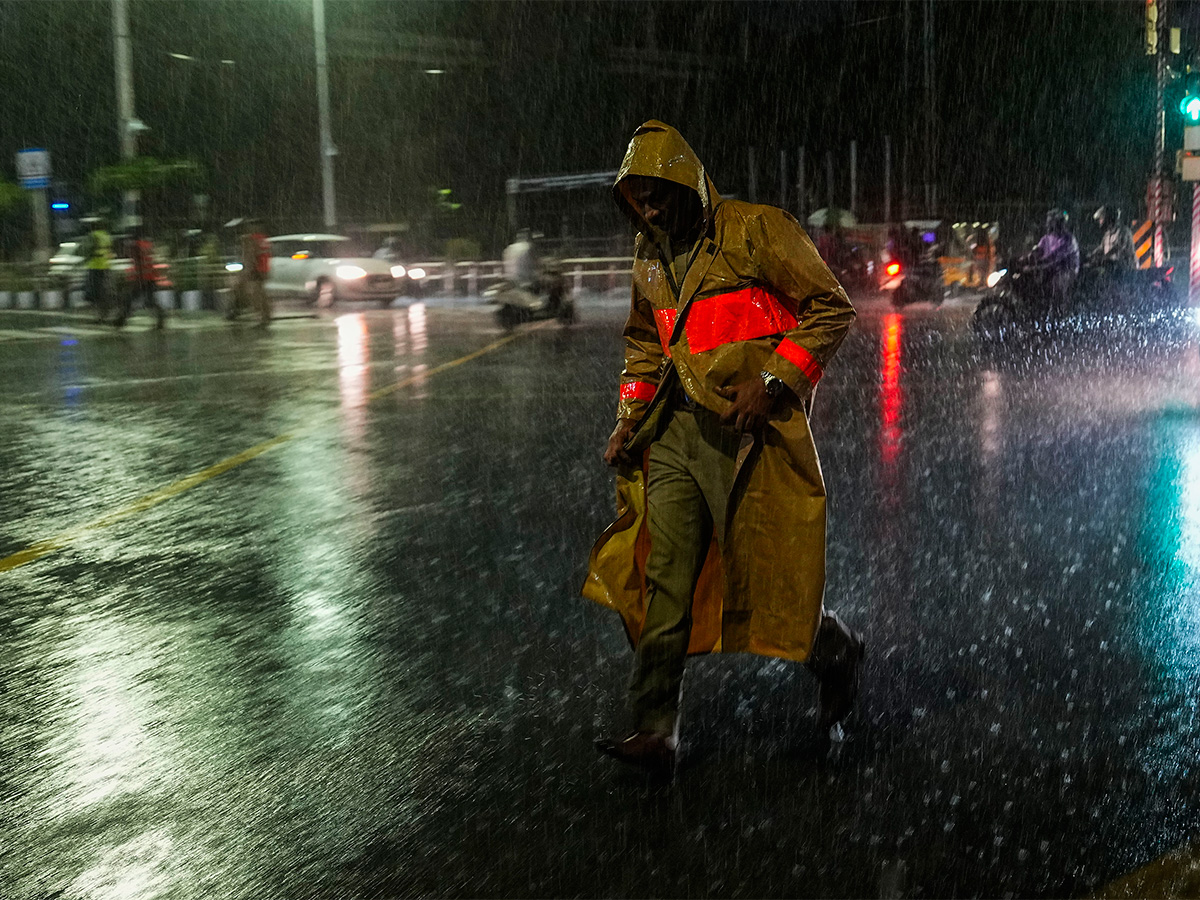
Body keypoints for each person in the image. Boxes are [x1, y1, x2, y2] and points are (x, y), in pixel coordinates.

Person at [584, 120, 864, 776]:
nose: (648, 207)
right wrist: (629, 416)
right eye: (637, 196)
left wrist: (773, 384)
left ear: (687, 183)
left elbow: (831, 308)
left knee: (772, 584)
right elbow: (646, 343)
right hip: (673, 437)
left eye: (657, 192)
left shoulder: (755, 229)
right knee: (664, 584)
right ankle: (656, 729)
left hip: (747, 436)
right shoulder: (649, 254)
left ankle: (838, 653)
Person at [1026, 209, 1079, 308]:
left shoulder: (1068, 239)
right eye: (1048, 222)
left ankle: (1060, 310)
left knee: (1055, 285)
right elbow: (1038, 251)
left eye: (1051, 222)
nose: (1048, 224)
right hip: (1050, 269)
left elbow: (1054, 258)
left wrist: (1038, 265)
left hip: (1065, 271)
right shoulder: (1046, 238)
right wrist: (1026, 259)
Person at [114, 229, 165, 330]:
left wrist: (137, 278)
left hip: (141, 278)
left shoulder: (136, 246)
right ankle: (161, 319)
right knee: (149, 301)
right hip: (150, 276)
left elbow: (138, 262)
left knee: (129, 300)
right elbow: (148, 260)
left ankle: (121, 320)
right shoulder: (147, 245)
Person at [226, 219, 271, 326]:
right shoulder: (262, 238)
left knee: (254, 293)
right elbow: (265, 253)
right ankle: (264, 316)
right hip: (263, 268)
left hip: (256, 269)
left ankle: (261, 317)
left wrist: (248, 269)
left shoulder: (251, 238)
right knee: (259, 293)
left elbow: (251, 255)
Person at [80, 218, 113, 322]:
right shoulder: (107, 236)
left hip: (95, 266)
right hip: (106, 265)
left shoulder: (93, 235)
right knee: (104, 291)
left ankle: (99, 316)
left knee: (93, 293)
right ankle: (105, 313)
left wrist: (84, 260)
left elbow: (88, 249)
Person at [1090, 206, 1135, 270]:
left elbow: (1118, 248)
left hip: (1126, 270)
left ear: (1108, 219)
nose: (1100, 222)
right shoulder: (1108, 234)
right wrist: (1091, 255)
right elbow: (1101, 248)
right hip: (1113, 269)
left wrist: (1103, 258)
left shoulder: (1123, 231)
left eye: (1101, 219)